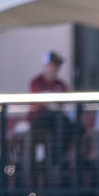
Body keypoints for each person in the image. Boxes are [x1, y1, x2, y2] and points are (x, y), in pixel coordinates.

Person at [28, 51, 74, 188]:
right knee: (58, 120)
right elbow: (43, 103)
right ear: (46, 66)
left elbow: (66, 103)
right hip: (39, 121)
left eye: (57, 66)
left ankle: (59, 162)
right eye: (53, 65)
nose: (55, 69)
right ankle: (56, 161)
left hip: (58, 123)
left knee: (69, 125)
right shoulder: (36, 82)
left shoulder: (61, 84)